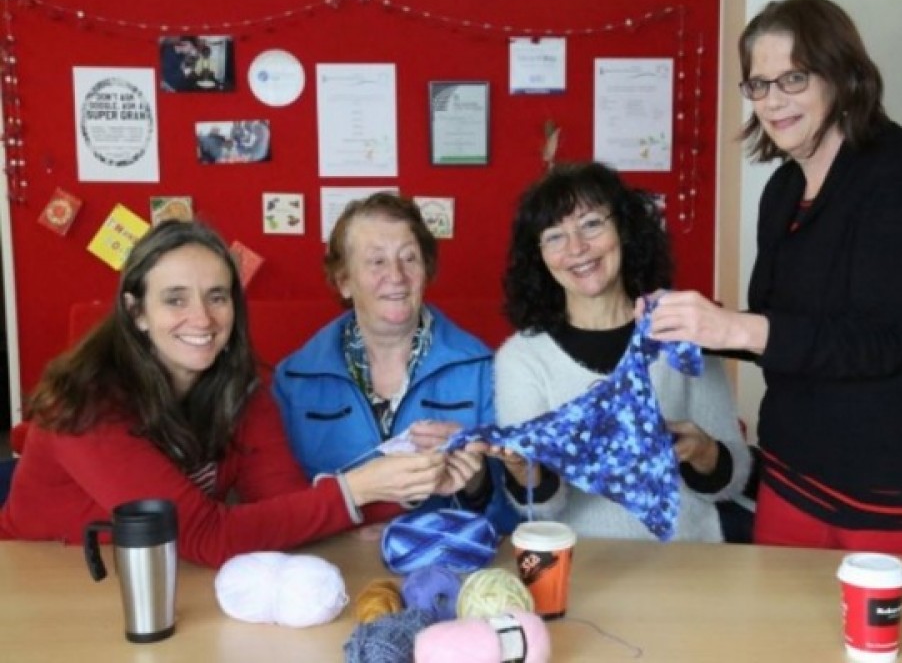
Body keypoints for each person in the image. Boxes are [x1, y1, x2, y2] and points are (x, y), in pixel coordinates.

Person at [644, 0, 902, 559]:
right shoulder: (783, 190)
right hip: (795, 480)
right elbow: (788, 332)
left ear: (843, 73)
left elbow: (875, 343)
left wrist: (734, 329)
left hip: (900, 496)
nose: (774, 101)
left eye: (793, 78)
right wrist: (699, 322)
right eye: (759, 84)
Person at [0, 219, 455, 567]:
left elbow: (284, 509)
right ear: (135, 311)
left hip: (162, 578)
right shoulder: (87, 404)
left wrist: (413, 482)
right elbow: (203, 535)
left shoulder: (242, 390)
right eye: (175, 299)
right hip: (43, 580)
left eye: (217, 296)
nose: (202, 318)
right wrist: (357, 488)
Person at [493, 161, 752, 541]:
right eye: (555, 236)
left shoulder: (680, 329)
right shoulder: (521, 359)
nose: (577, 248)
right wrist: (525, 472)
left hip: (689, 560)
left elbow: (733, 480)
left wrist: (704, 453)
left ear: (624, 230)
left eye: (591, 224)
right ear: (540, 256)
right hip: (584, 568)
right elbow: (540, 508)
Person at [273, 192, 518, 535]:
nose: (397, 276)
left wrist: (477, 484)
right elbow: (278, 507)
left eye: (409, 259)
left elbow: (518, 517)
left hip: (445, 567)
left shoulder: (483, 371)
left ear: (426, 271)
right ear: (344, 280)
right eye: (376, 262)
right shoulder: (293, 380)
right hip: (331, 569)